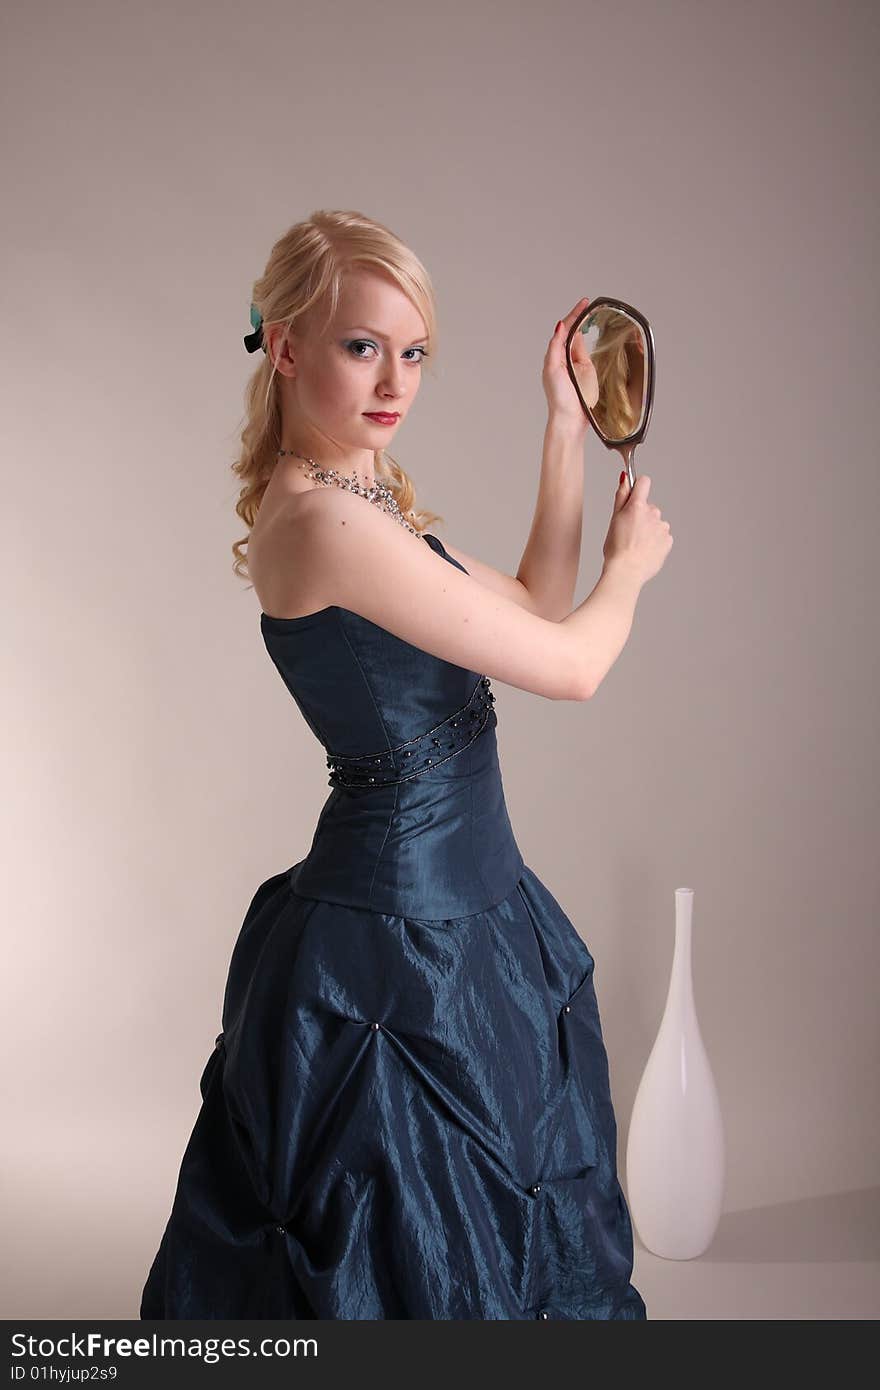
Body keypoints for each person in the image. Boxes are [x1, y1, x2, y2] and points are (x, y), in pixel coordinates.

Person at [139, 209, 671, 1321]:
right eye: (360, 346)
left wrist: (561, 433)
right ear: (284, 346)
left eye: (413, 350)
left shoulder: (361, 503)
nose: (394, 381)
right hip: (397, 945)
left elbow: (529, 604)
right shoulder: (326, 522)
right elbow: (569, 664)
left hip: (474, 912)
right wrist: (630, 572)